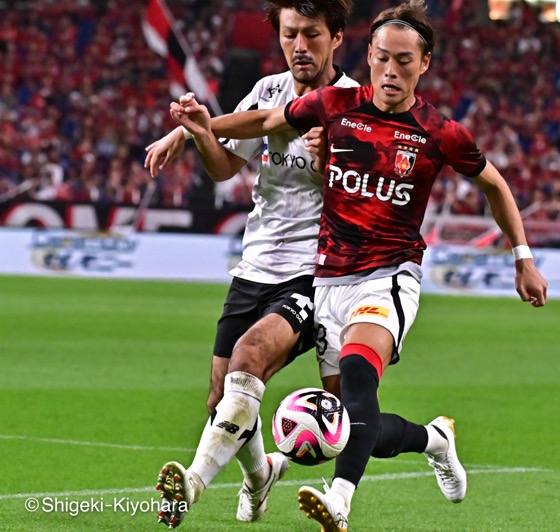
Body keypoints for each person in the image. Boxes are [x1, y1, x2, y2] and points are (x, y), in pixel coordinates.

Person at [169, 0, 548, 529]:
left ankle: (338, 501)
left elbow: (495, 185)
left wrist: (522, 258)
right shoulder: (334, 105)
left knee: (353, 378)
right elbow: (264, 120)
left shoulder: (441, 133)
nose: (392, 72)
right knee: (346, 422)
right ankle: (433, 438)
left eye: (406, 61)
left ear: (425, 64)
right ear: (369, 55)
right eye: (384, 59)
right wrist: (192, 128)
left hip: (390, 275)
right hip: (329, 279)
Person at [143, 1, 360, 528]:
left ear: (337, 37)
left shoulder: (357, 103)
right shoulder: (268, 91)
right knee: (222, 400)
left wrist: (335, 154)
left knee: (249, 357)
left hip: (315, 269)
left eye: (311, 34)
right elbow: (224, 167)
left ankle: (191, 485)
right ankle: (261, 477)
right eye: (290, 35)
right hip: (254, 265)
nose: (299, 46)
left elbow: (368, 191)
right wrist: (196, 132)